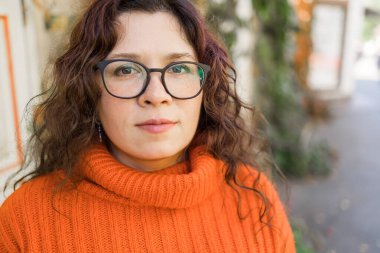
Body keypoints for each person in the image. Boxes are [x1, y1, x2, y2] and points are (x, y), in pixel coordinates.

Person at [0, 0, 295, 252]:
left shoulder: (253, 198)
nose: (156, 95)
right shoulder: (23, 223)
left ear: (205, 85)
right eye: (126, 69)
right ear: (89, 90)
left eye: (178, 68)